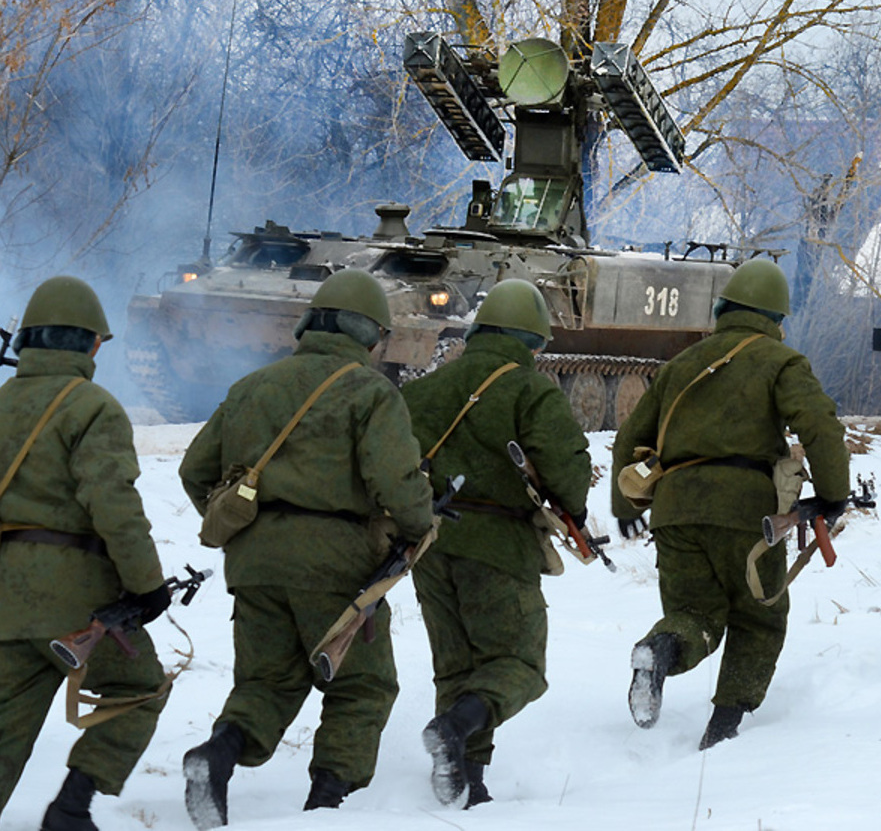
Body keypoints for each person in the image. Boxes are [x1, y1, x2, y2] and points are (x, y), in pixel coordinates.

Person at [178, 269, 433, 828]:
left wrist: (247, 526)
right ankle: (325, 807)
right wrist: (420, 523)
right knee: (363, 684)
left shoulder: (252, 386)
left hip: (252, 565)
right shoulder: (370, 391)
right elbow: (395, 481)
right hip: (336, 564)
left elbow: (194, 470)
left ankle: (216, 755)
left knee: (266, 681)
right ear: (371, 337)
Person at [611, 259, 850, 750]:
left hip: (674, 512)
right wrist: (833, 495)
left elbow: (628, 439)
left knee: (694, 614)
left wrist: (626, 507)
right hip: (747, 512)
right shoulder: (780, 362)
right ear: (776, 318)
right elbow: (821, 427)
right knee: (758, 616)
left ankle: (659, 650)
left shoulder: (680, 365)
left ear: (723, 308)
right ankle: (723, 727)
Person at [401, 278, 591, 809]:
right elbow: (567, 474)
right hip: (498, 543)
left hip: (430, 547)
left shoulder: (421, 390)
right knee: (519, 664)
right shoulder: (529, 390)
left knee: (457, 665)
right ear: (532, 340)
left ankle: (467, 779)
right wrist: (572, 509)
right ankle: (456, 733)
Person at [0, 276, 172, 831]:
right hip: (75, 600)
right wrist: (148, 586)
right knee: (141, 685)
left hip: (4, 597)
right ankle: (72, 809)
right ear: (91, 344)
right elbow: (113, 504)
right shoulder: (93, 407)